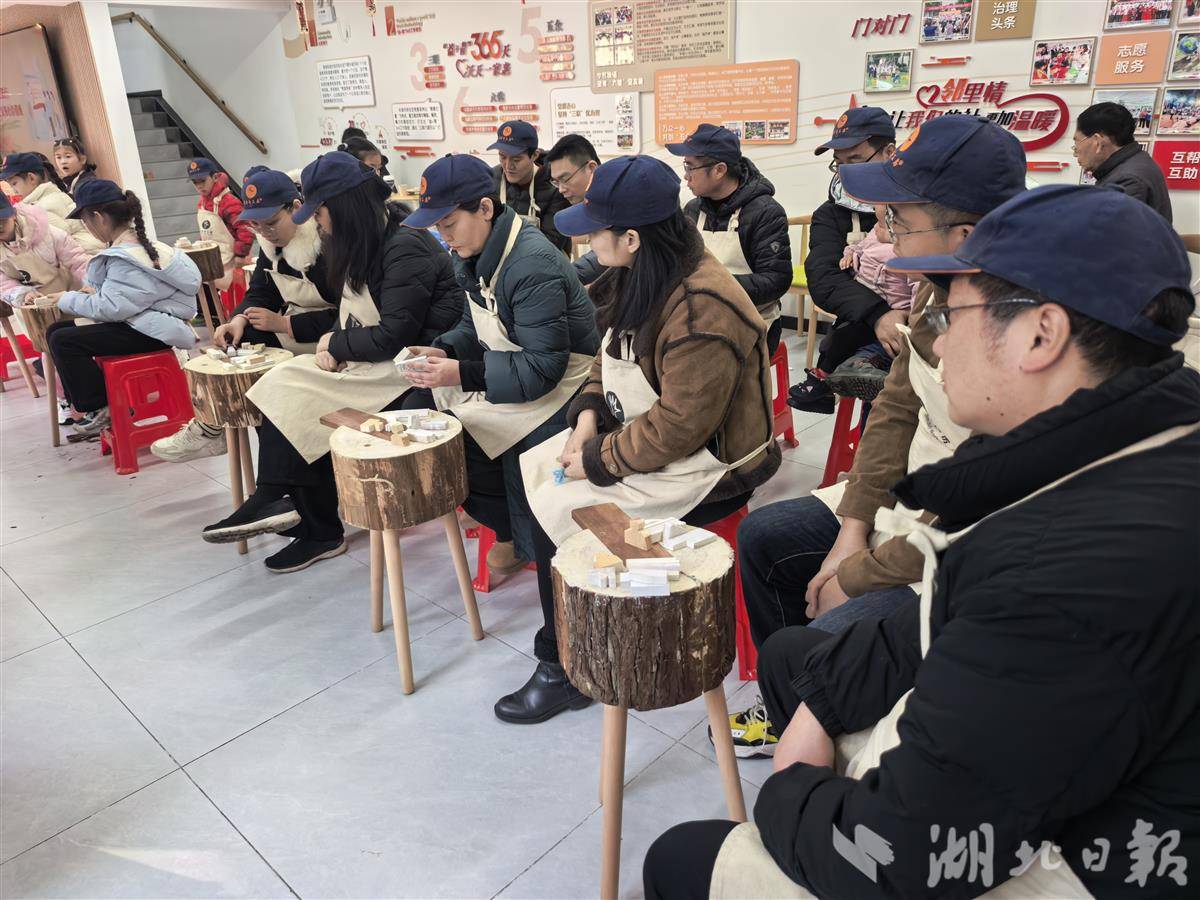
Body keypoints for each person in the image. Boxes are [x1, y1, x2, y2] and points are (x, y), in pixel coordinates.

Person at [645, 184, 1199, 900]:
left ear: (1042, 335)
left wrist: (793, 788)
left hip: (1088, 862)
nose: (934, 339)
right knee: (796, 661)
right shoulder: (1130, 437)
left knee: (682, 857)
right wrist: (825, 700)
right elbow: (952, 602)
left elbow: (902, 856)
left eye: (950, 313)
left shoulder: (1069, 577)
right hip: (1054, 762)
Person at [726, 117, 1026, 759]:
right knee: (766, 536)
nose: (885, 232)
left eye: (900, 219)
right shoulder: (936, 289)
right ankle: (790, 707)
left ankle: (823, 721)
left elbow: (982, 504)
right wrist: (852, 530)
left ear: (964, 235)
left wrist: (860, 572)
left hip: (960, 547)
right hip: (908, 498)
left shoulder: (1019, 331)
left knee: (821, 638)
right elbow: (896, 408)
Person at [511, 155, 782, 723]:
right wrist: (587, 419)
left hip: (712, 468)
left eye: (594, 231)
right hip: (653, 436)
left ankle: (563, 664)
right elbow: (605, 359)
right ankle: (573, 638)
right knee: (537, 467)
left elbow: (679, 427)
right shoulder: (641, 271)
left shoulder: (702, 306)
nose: (586, 242)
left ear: (632, 238)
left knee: (560, 500)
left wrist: (597, 460)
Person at [399, 153, 598, 720]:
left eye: (449, 223)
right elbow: (476, 323)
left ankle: (562, 654)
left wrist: (461, 373)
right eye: (437, 226)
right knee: (431, 431)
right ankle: (513, 533)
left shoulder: (531, 262)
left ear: (485, 209)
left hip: (565, 390)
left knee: (535, 475)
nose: (444, 236)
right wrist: (446, 349)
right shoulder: (477, 252)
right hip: (521, 375)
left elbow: (544, 369)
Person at [199, 151, 462, 573]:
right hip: (375, 363)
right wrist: (335, 343)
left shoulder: (403, 246)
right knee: (281, 381)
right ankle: (281, 499)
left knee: (302, 395)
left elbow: (395, 334)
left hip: (412, 369)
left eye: (319, 213)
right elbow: (351, 311)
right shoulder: (361, 241)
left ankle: (298, 513)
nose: (318, 224)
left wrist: (336, 342)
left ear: (343, 208)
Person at [150, 167, 340, 463]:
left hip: (334, 337)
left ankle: (280, 459)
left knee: (269, 365)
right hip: (299, 330)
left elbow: (351, 313)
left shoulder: (325, 246)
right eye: (256, 226)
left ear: (296, 208)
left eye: (271, 223)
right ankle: (212, 427)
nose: (265, 232)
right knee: (241, 339)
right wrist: (237, 319)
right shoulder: (270, 245)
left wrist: (286, 323)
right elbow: (261, 291)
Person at [42, 179, 200, 435]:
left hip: (151, 332)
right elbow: (125, 299)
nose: (87, 228)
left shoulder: (126, 258)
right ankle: (92, 405)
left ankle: (102, 407)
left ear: (99, 217)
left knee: (63, 341)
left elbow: (112, 308)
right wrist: (92, 291)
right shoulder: (140, 246)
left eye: (85, 221)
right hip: (147, 323)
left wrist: (65, 298)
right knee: (56, 331)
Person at [788, 108, 897, 413]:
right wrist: (880, 315)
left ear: (889, 153)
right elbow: (824, 278)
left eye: (855, 160)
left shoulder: (914, 203)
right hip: (866, 325)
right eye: (839, 163)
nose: (846, 172)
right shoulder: (831, 214)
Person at [667, 123, 791, 353]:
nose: (685, 176)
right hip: (700, 314)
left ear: (719, 170)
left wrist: (712, 286)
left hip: (753, 319)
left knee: (701, 360)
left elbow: (776, 280)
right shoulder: (693, 210)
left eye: (690, 167)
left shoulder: (765, 212)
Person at [823, 203, 918, 399]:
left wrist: (913, 316)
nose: (875, 227)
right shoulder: (876, 234)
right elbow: (861, 245)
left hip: (896, 310)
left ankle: (865, 364)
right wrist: (851, 253)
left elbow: (919, 291)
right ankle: (825, 379)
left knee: (889, 342)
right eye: (878, 222)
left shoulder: (909, 254)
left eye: (882, 225)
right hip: (865, 301)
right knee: (838, 337)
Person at [1073, 101, 1173, 223]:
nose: (1075, 152)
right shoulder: (1136, 161)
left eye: (1076, 142)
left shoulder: (1127, 180)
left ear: (1097, 141)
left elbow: (1107, 230)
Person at [487, 120, 571, 254]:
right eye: (502, 157)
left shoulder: (555, 188)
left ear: (535, 155)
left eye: (516, 160)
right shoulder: (491, 180)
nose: (508, 166)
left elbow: (551, 246)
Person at [0, 151, 102, 254]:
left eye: (14, 184)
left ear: (31, 178)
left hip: (88, 255)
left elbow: (59, 246)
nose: (13, 190)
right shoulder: (49, 197)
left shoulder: (42, 208)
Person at [543, 133, 604, 285]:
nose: (561, 189)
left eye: (565, 179)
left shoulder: (617, 202)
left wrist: (564, 278)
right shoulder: (590, 203)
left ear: (591, 168)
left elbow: (603, 256)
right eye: (556, 182)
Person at [187, 157, 254, 291]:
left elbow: (245, 229)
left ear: (215, 177)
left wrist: (240, 255)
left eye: (202, 181)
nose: (199, 186)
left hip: (233, 262)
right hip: (214, 262)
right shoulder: (202, 203)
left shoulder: (229, 202)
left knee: (236, 297)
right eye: (195, 182)